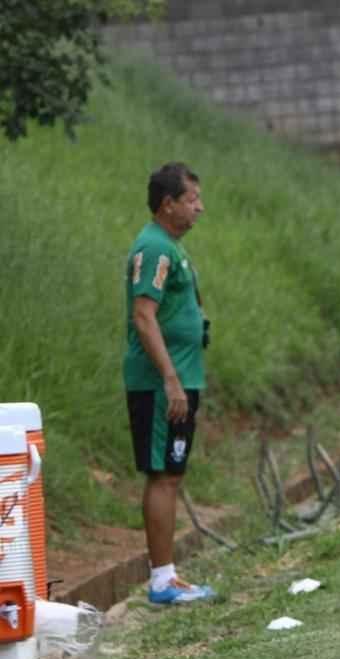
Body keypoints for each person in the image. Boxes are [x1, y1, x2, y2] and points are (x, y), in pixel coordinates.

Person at [124, 162, 215, 605]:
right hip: (162, 385)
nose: (200, 207)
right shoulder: (154, 248)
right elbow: (144, 315)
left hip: (180, 379)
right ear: (168, 204)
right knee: (162, 476)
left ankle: (170, 575)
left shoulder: (171, 247)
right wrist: (171, 379)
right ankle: (161, 580)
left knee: (171, 474)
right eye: (192, 199)